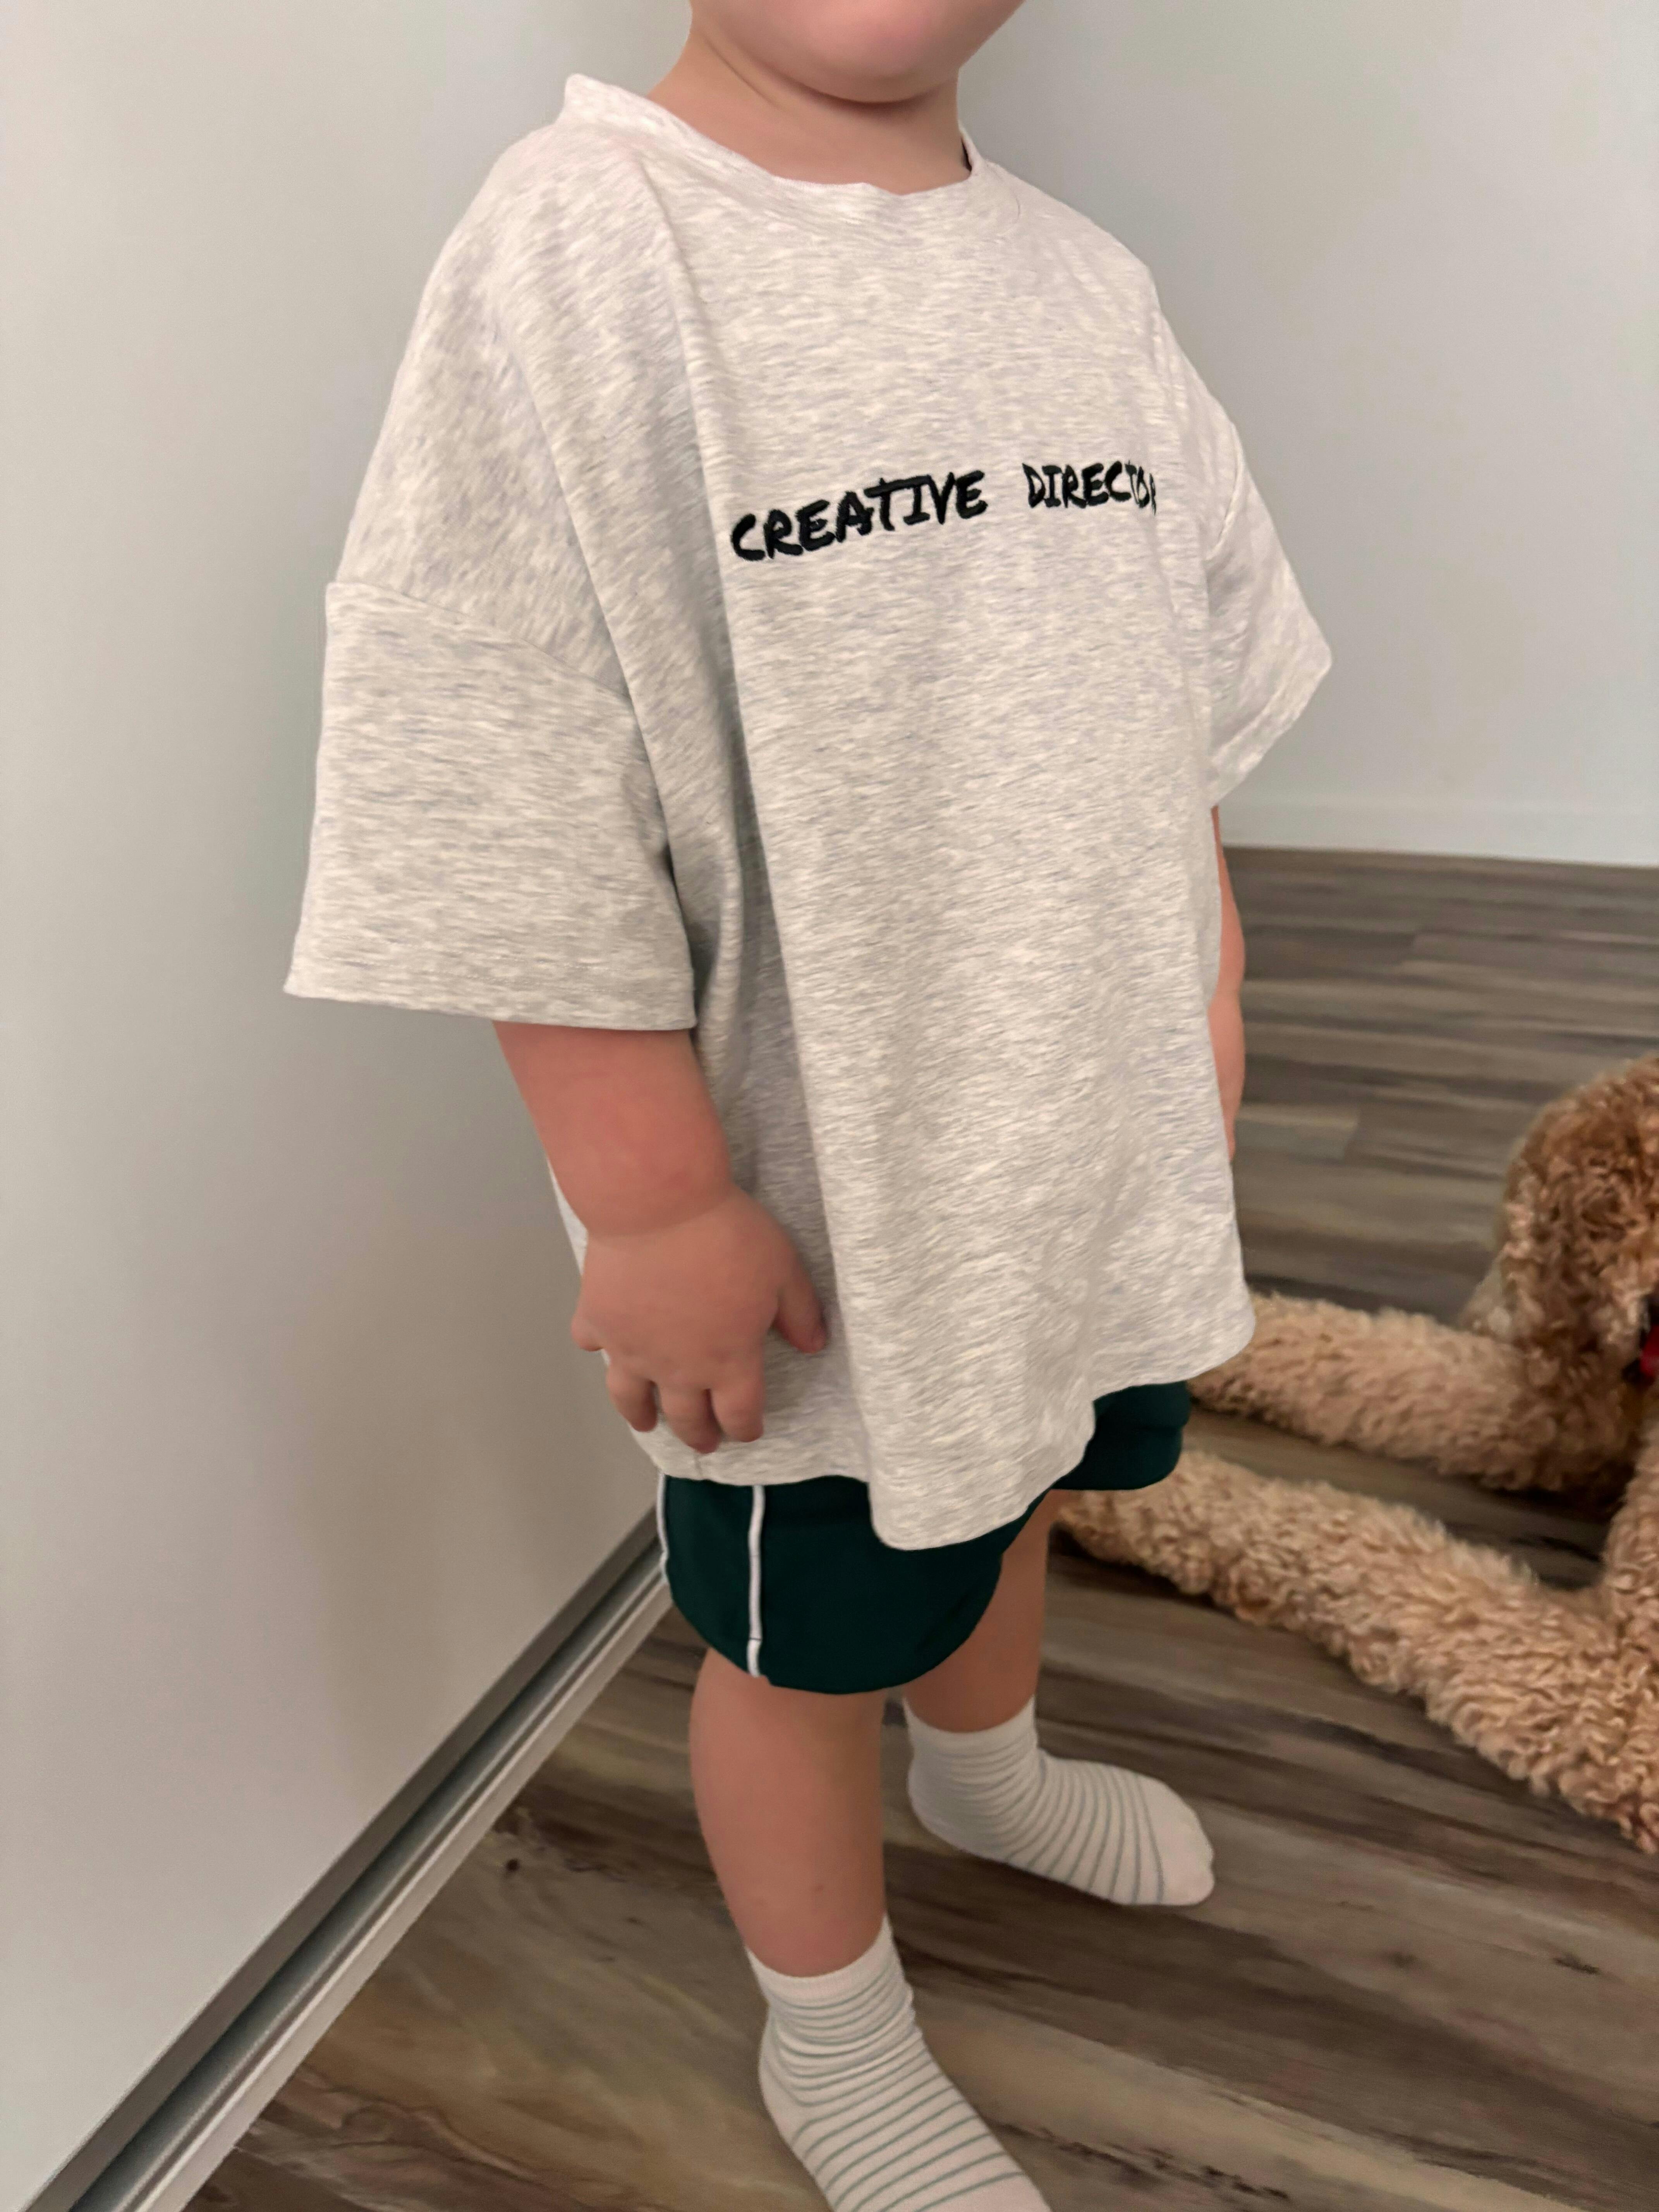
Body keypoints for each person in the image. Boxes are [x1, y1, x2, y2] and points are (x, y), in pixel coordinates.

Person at [286, 5, 1332, 2204]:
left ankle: (990, 1768)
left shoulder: (1087, 286)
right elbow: (501, 775)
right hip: (822, 1219)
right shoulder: (586, 248)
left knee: (1021, 1481)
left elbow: (1175, 693)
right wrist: (654, 1205)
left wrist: (1208, 991)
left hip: (1077, 1145)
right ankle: (833, 2027)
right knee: (803, 1644)